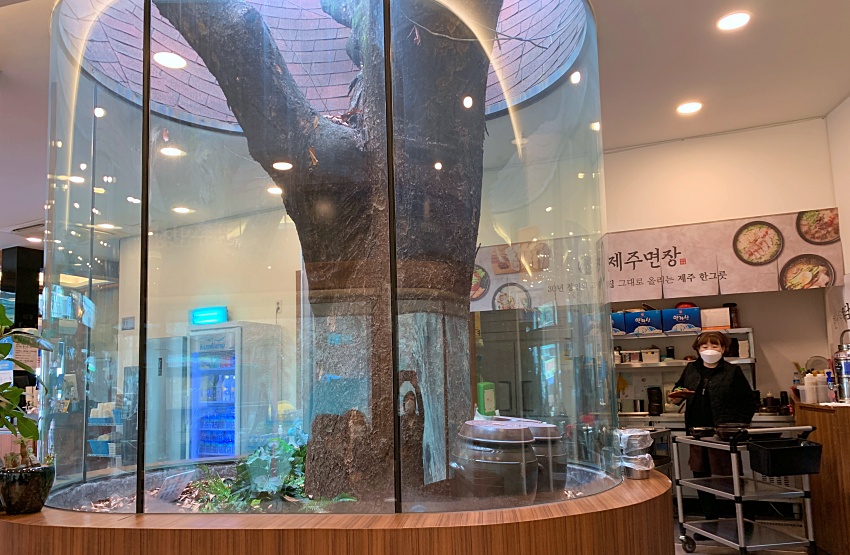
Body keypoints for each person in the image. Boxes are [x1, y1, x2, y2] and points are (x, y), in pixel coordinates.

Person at [670, 331, 756, 522]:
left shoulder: (732, 371)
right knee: (700, 476)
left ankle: (744, 518)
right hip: (697, 432)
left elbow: (749, 401)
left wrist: (738, 427)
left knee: (729, 476)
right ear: (698, 349)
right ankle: (710, 518)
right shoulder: (691, 369)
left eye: (715, 345)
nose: (709, 349)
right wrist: (676, 396)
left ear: (723, 349)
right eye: (704, 346)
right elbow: (678, 389)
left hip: (724, 434)